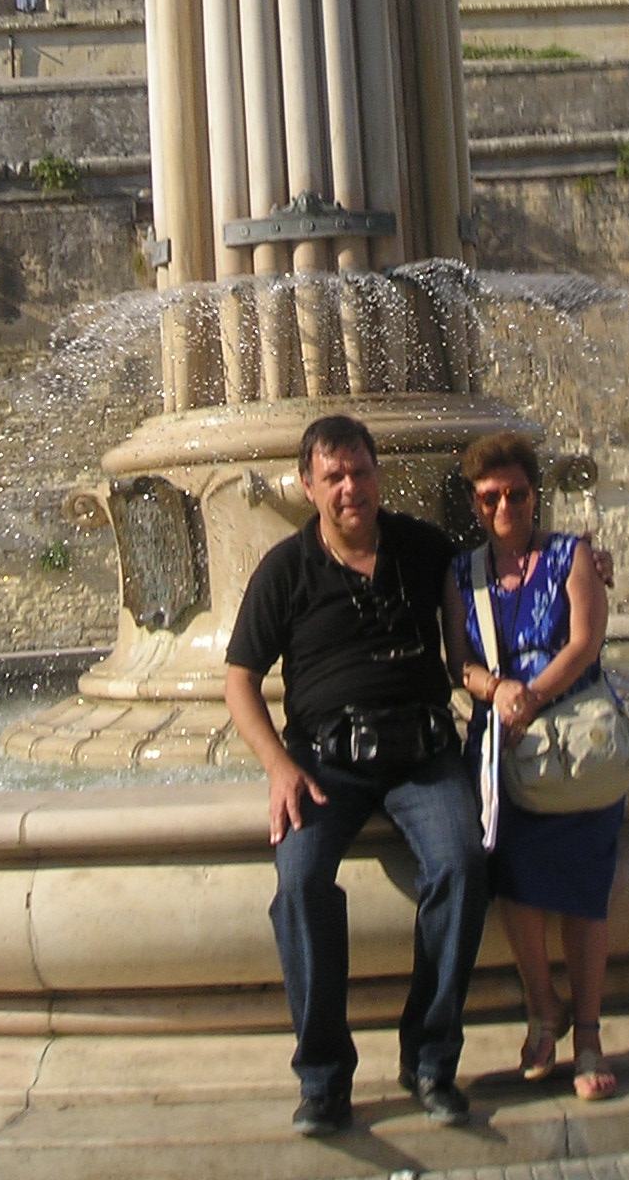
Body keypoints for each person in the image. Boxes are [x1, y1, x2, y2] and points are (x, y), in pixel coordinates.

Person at [224, 413, 487, 1137]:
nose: (350, 488)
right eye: (334, 476)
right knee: (301, 881)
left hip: (423, 755)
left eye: (361, 471)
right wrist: (278, 765)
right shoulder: (287, 568)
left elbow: (503, 566)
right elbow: (240, 679)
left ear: (379, 475)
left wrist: (579, 558)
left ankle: (431, 1060)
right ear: (307, 486)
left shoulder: (426, 549)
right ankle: (323, 1078)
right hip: (323, 764)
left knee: (464, 867)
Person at [442, 432, 624, 1100]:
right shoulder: (464, 575)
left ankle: (590, 1033)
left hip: (576, 743)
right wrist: (496, 692)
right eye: (491, 497)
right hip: (506, 752)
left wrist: (532, 694)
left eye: (517, 493)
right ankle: (542, 1010)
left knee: (584, 892)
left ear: (533, 494)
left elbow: (585, 641)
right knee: (515, 883)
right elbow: (458, 661)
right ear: (473, 502)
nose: (505, 506)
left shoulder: (571, 555)